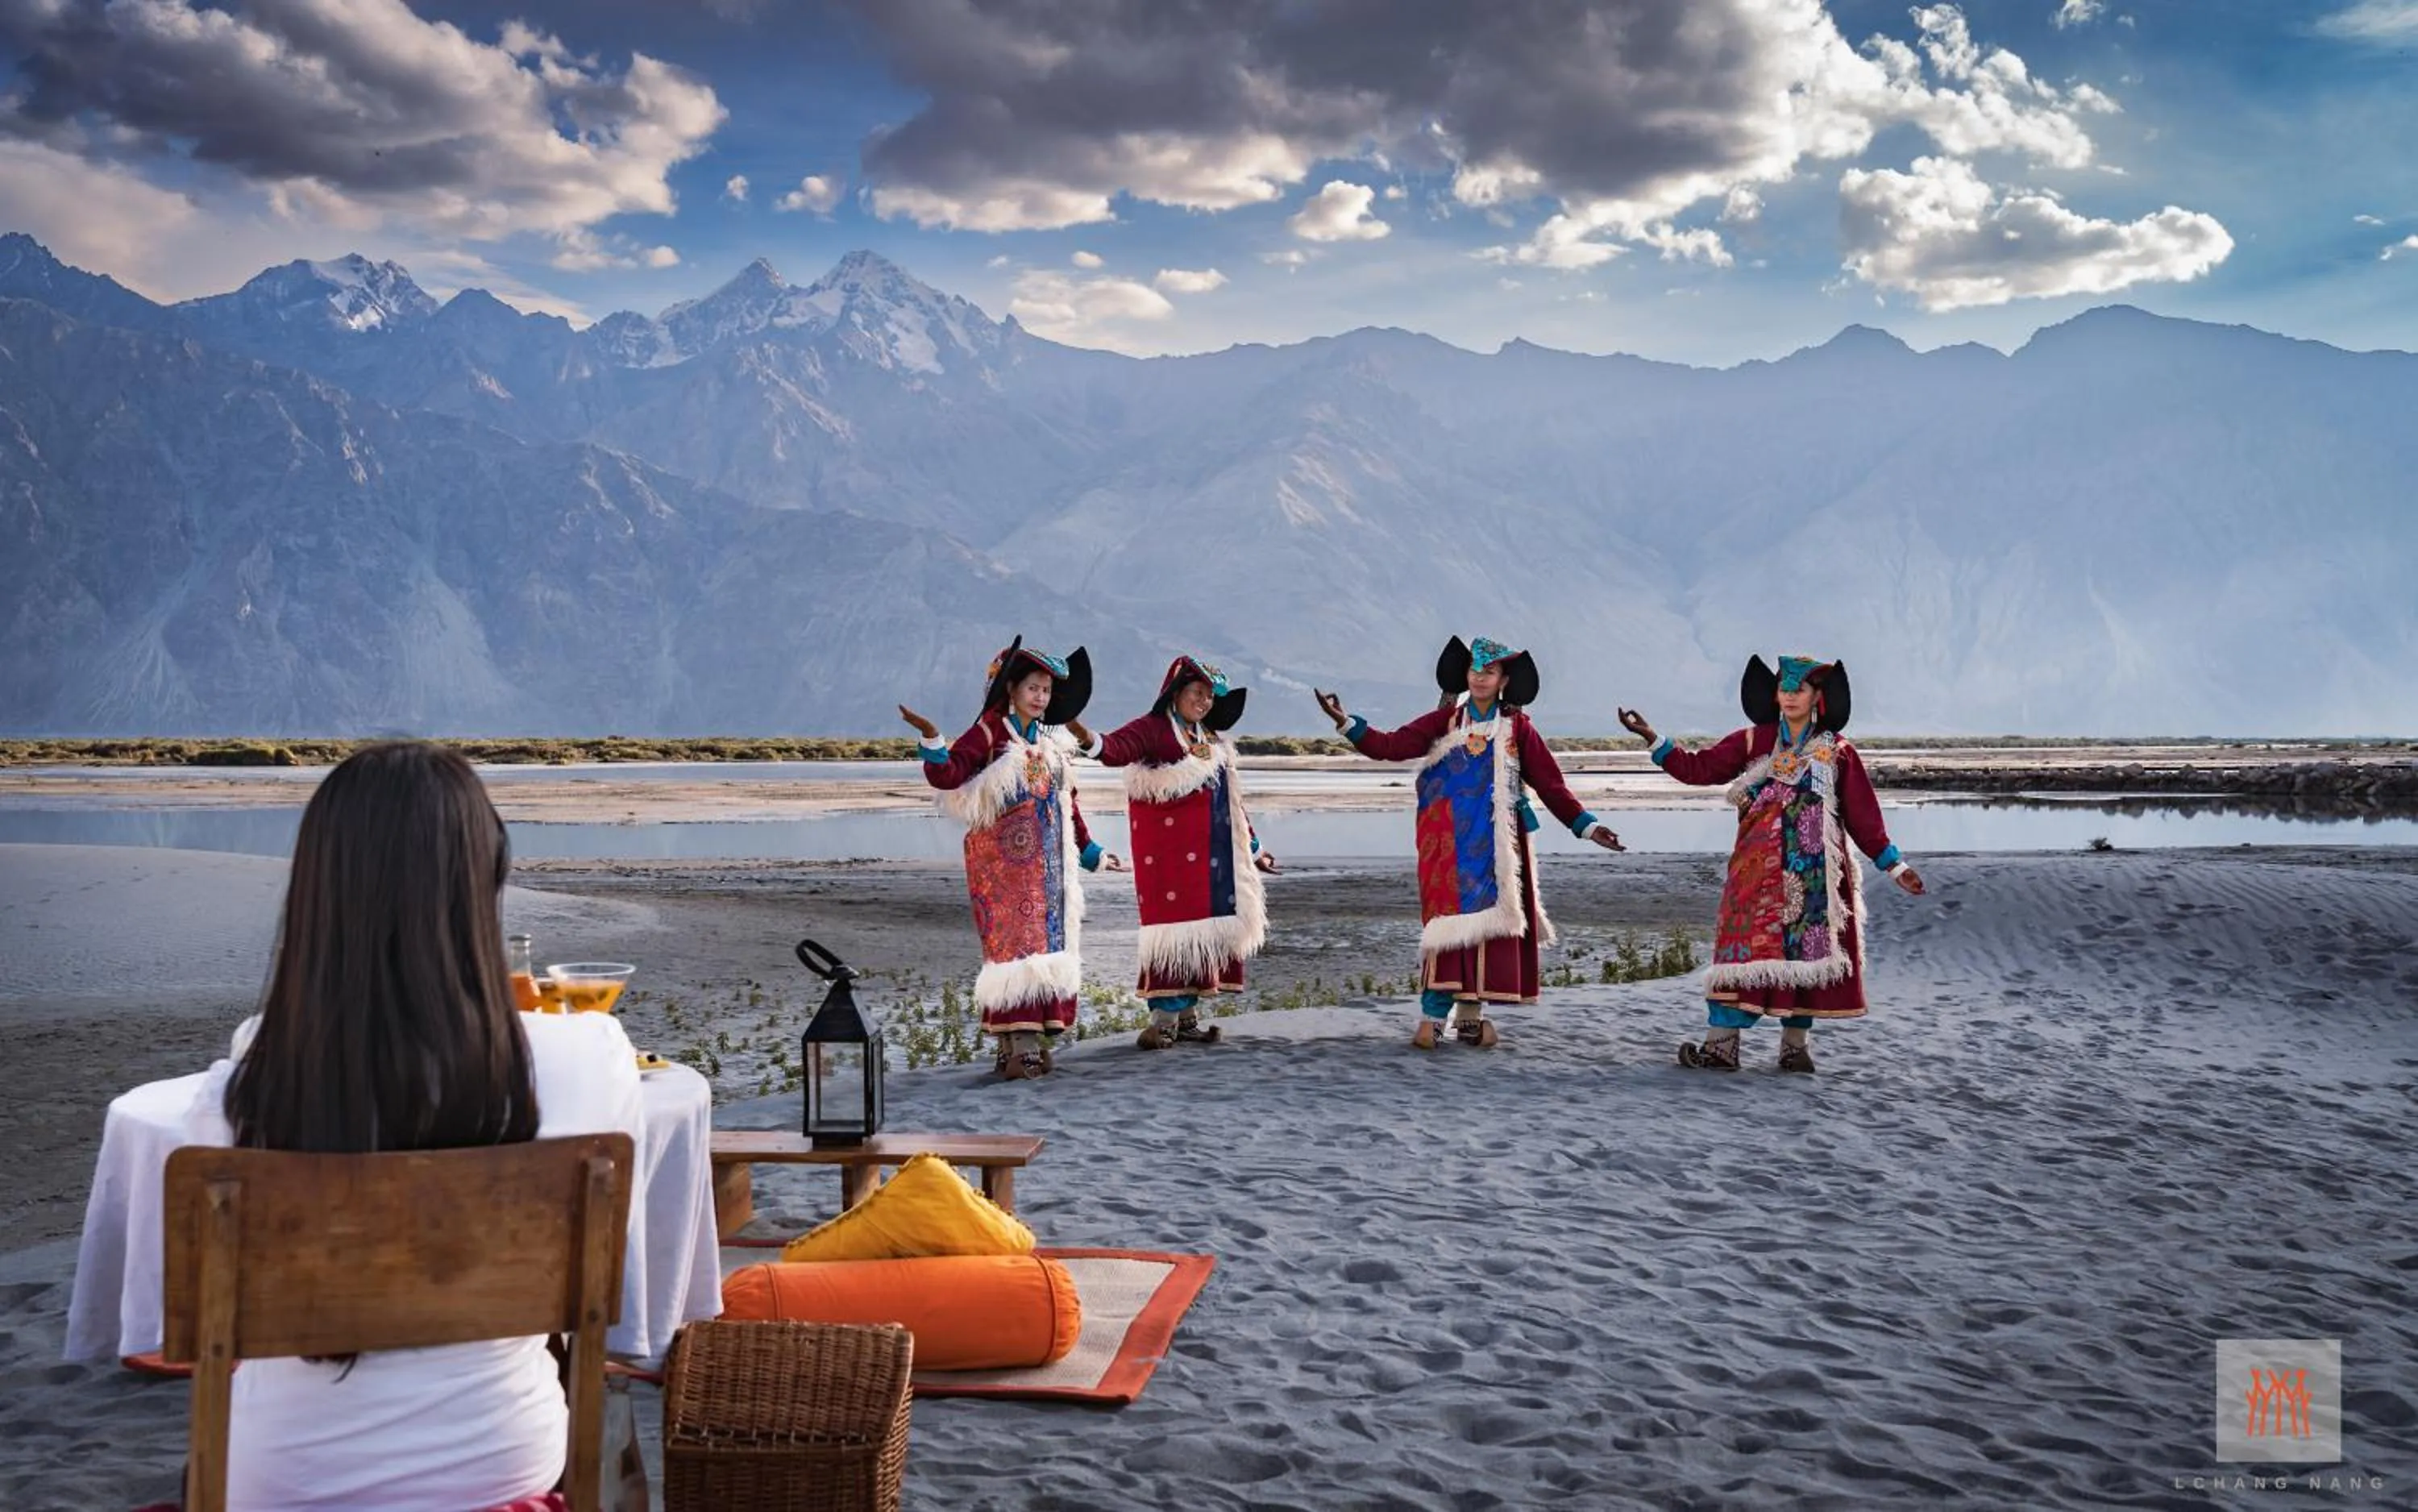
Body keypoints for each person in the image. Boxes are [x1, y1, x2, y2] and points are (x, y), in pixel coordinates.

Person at [182, 741, 643, 1512]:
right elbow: (625, 1294)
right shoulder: (590, 1057)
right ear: (484, 878)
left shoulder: (257, 1070)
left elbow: (181, 1327)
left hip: (284, 1474)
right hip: (501, 1459)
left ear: (318, 891)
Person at [1619, 654, 1926, 1074]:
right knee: (1738, 951)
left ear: (1818, 696)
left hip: (1813, 875)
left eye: (1798, 689)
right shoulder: (1752, 742)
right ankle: (1721, 1047)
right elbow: (1699, 768)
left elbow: (1863, 817)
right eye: (1784, 688)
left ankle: (1794, 1047)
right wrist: (1653, 739)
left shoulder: (1836, 752)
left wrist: (1895, 866)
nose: (1789, 696)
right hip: (1754, 873)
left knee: (1806, 957)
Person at [1314, 636, 1623, 1049]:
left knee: (1488, 928)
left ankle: (1473, 1017)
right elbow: (1391, 746)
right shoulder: (1442, 722)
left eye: (1489, 671)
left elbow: (1550, 784)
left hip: (1498, 845)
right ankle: (1434, 1017)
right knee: (1448, 927)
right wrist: (1345, 721)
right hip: (1449, 845)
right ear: (1466, 675)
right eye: (1475, 670)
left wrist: (1586, 825)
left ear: (1503, 680)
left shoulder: (1518, 730)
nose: (1480, 677)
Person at [901, 637, 1121, 1080]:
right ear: (1012, 691)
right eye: (1033, 689)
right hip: (1002, 868)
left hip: (1050, 868)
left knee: (1046, 948)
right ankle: (1017, 1044)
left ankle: (1022, 1045)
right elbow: (949, 774)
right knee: (1014, 949)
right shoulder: (989, 732)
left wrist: (1092, 851)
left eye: (1046, 691)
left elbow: (1067, 802)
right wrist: (931, 738)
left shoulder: (1052, 743)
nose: (1041, 698)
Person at [1070, 655, 1278, 1050]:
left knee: (1203, 933)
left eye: (1209, 697)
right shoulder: (1153, 729)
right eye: (1197, 693)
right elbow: (1115, 749)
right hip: (1167, 857)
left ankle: (1186, 1019)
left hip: (1211, 857)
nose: (1203, 702)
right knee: (1172, 933)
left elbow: (1232, 803)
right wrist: (1083, 734)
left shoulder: (1208, 738)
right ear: (1176, 692)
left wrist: (1254, 848)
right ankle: (1163, 1020)